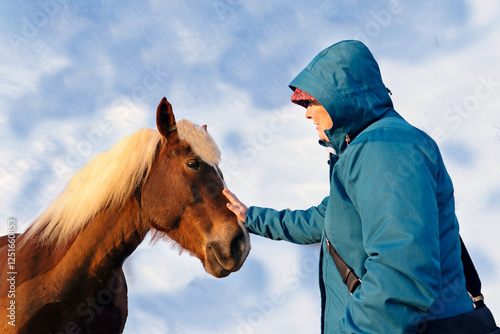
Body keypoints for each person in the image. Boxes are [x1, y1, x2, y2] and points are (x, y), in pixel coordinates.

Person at [223, 40, 499, 333]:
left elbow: (401, 272)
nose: (306, 113)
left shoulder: (384, 150)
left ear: (340, 99)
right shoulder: (368, 147)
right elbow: (322, 220)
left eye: (312, 102)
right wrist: (250, 216)